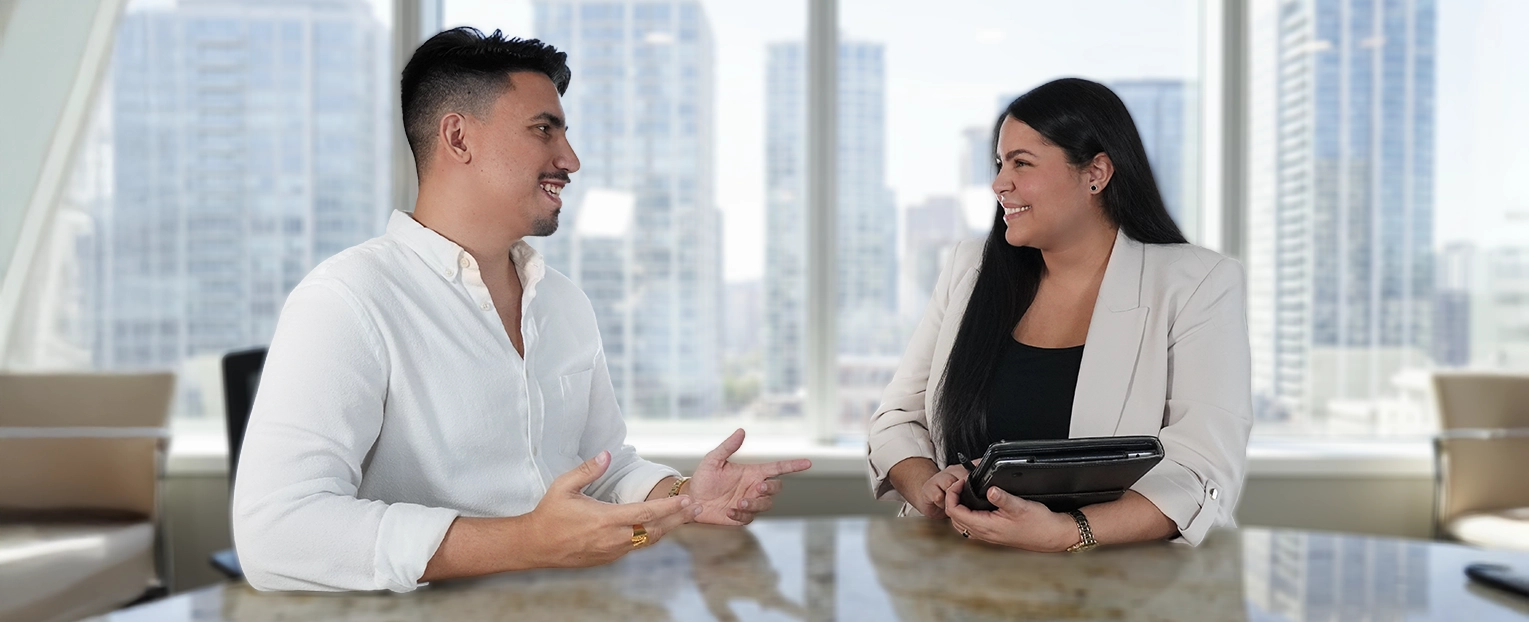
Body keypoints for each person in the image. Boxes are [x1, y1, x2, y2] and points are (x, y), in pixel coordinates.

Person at [232, 27, 810, 592]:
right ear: (458, 138)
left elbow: (600, 467)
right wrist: (527, 541)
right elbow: (276, 532)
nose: (571, 159)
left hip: (567, 604)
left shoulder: (563, 302)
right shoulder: (346, 300)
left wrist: (683, 496)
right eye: (544, 130)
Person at [866, 78, 1251, 552]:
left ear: (1097, 173)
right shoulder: (970, 269)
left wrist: (1070, 533)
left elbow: (1202, 465)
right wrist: (927, 483)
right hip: (963, 577)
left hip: (1118, 587)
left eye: (1021, 163)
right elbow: (897, 419)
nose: (999, 183)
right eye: (1000, 163)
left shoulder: (1197, 282)